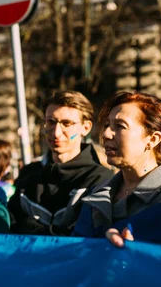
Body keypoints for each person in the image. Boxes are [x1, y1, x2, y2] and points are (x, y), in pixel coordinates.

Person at [72, 92, 161, 246]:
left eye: (120, 126)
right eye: (107, 125)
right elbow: (74, 254)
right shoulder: (96, 196)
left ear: (152, 139)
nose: (106, 134)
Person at [8, 91, 114, 236]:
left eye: (66, 123)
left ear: (86, 128)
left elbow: (82, 235)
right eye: (50, 122)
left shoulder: (101, 179)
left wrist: (30, 227)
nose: (56, 132)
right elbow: (11, 227)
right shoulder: (28, 174)